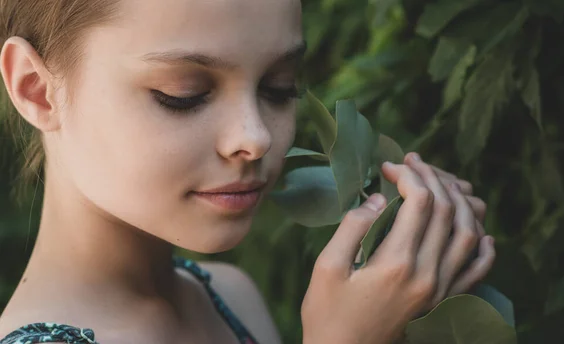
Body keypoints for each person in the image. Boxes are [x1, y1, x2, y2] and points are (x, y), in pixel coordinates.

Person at [0, 0, 496, 343]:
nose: (256, 136)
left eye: (278, 87)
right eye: (184, 94)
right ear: (36, 90)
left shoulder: (228, 295)